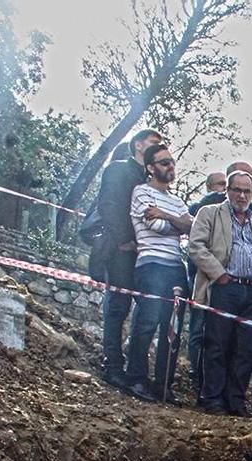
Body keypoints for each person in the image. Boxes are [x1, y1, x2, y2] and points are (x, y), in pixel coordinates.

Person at [188, 171, 252, 416]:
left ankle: (236, 400)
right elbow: (196, 246)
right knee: (217, 344)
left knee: (246, 349)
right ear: (227, 190)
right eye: (237, 189)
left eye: (247, 191)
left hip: (251, 291)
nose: (242, 195)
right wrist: (219, 274)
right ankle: (212, 398)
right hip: (223, 287)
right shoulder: (210, 213)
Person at [94, 128, 163, 391]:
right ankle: (112, 366)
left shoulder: (151, 178)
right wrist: (125, 240)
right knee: (118, 306)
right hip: (122, 250)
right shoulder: (118, 169)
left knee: (146, 312)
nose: (157, 148)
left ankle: (137, 372)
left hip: (146, 254)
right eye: (153, 143)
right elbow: (108, 206)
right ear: (137, 145)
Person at [125, 143, 192, 403]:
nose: (170, 166)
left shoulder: (176, 201)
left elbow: (193, 227)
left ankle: (163, 383)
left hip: (176, 266)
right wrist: (178, 224)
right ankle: (136, 378)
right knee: (147, 322)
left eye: (172, 162)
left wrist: (167, 215)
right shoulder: (140, 192)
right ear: (151, 168)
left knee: (172, 328)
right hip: (151, 264)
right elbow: (157, 225)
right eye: (164, 163)